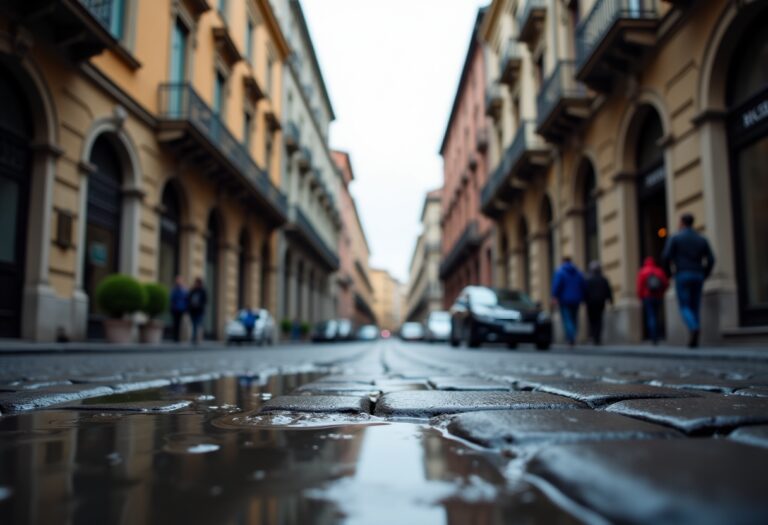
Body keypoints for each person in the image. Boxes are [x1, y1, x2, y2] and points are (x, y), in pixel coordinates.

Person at [661, 213, 715, 348]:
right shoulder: (701, 239)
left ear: (682, 223)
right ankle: (694, 335)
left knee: (685, 306)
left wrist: (669, 274)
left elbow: (666, 256)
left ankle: (693, 327)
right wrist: (705, 273)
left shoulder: (676, 238)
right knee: (695, 305)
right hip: (698, 274)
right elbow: (711, 259)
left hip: (683, 274)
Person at [551, 256, 585, 346]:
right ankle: (573, 335)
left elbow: (557, 285)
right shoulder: (578, 272)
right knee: (574, 319)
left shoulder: (560, 272)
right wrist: (582, 296)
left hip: (564, 300)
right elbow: (583, 285)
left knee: (567, 319)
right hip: (576, 299)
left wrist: (554, 296)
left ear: (563, 262)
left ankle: (571, 337)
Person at [636, 257, 669, 345]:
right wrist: (661, 293)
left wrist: (640, 297)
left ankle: (653, 337)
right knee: (657, 315)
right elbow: (666, 283)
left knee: (651, 316)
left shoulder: (643, 271)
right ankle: (658, 334)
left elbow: (640, 286)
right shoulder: (659, 271)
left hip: (647, 297)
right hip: (657, 296)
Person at [583, 261, 613, 345]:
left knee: (592, 320)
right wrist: (610, 300)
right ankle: (597, 337)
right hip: (600, 302)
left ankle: (594, 336)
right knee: (599, 319)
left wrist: (584, 300)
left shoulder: (588, 280)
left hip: (591, 303)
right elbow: (608, 291)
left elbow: (585, 292)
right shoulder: (603, 279)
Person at [187, 277, 207, 344]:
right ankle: (194, 338)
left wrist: (199, 305)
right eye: (196, 283)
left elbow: (205, 301)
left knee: (198, 324)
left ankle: (198, 338)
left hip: (199, 311)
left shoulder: (203, 291)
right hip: (193, 311)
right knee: (193, 324)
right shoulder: (192, 290)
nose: (196, 284)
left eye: (197, 283)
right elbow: (189, 299)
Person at [169, 276, 188, 342]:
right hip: (175, 308)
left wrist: (186, 309)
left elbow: (186, 299)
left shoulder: (183, 290)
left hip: (181, 309)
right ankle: (175, 337)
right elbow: (172, 298)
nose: (178, 281)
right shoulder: (175, 289)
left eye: (179, 280)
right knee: (175, 323)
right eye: (177, 280)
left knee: (179, 323)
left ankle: (178, 337)